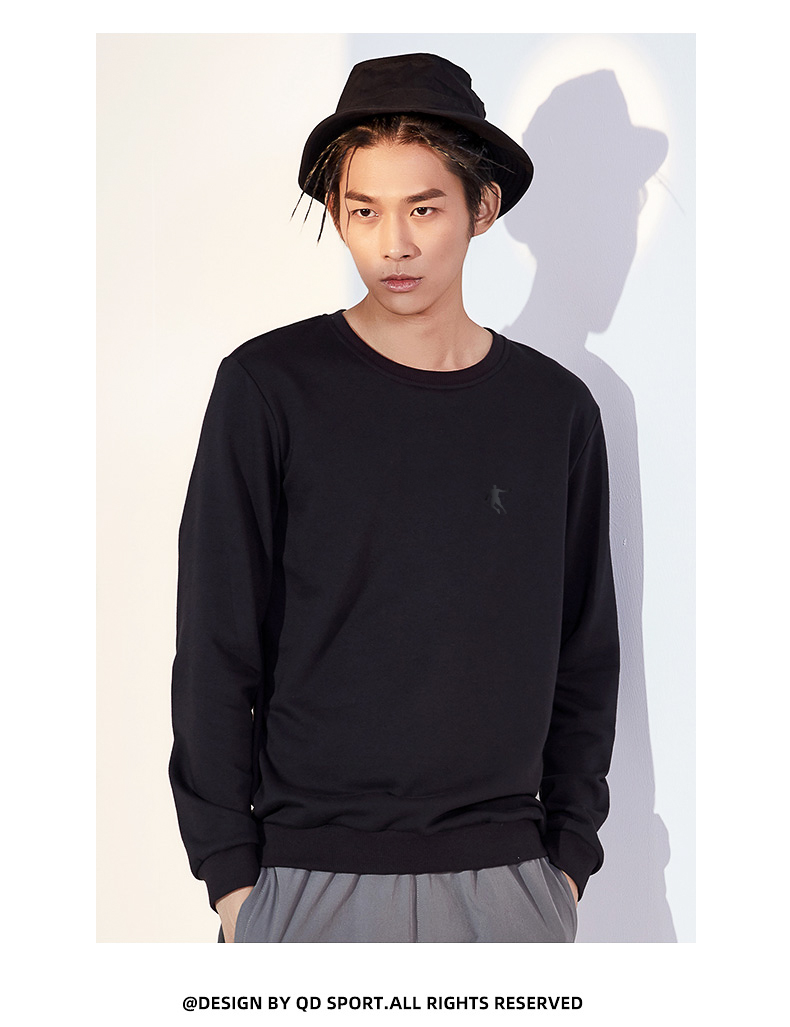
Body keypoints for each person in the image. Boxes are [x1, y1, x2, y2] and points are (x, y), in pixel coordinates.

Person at [169, 52, 620, 944]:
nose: (394, 244)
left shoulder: (555, 410)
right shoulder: (269, 387)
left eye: (424, 208)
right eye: (364, 211)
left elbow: (585, 649)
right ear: (338, 215)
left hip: (508, 883)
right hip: (303, 878)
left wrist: (565, 861)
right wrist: (232, 881)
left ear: (481, 209)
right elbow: (216, 643)